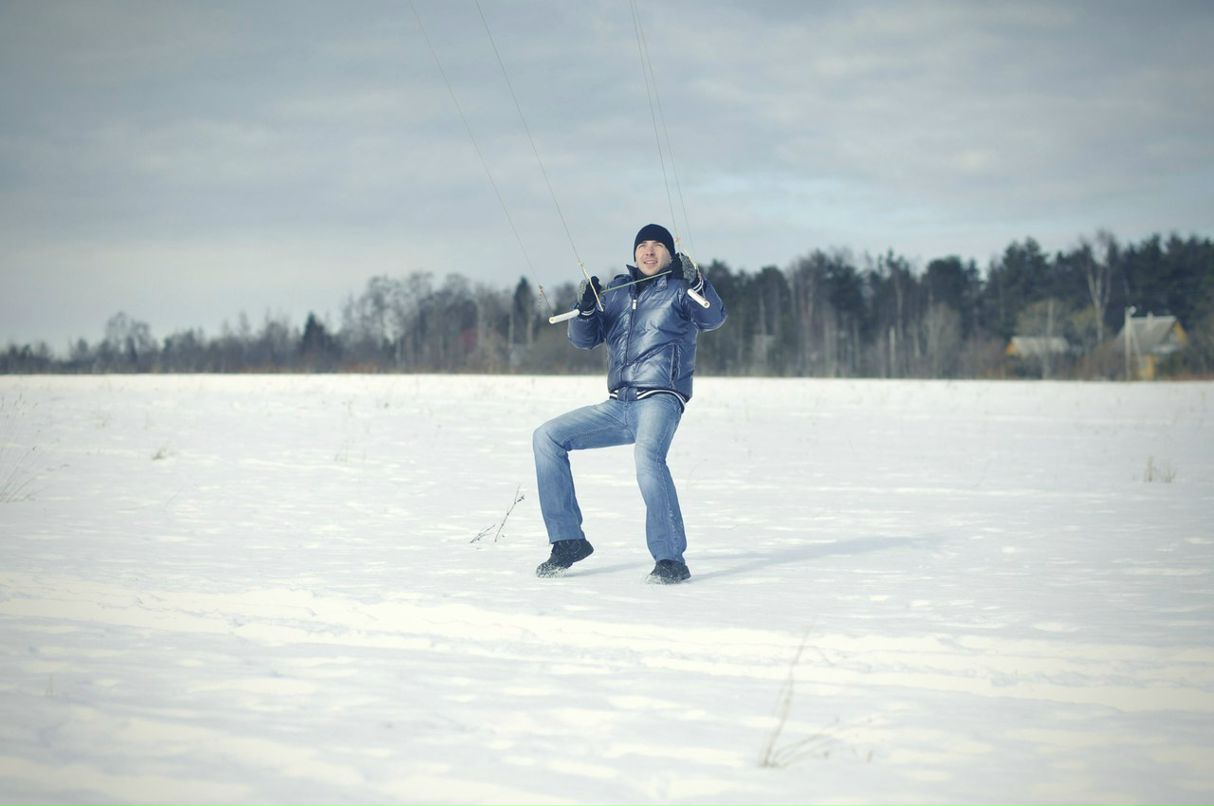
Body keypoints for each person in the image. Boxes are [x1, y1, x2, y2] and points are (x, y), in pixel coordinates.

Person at [532, 223, 727, 583]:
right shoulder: (617, 293)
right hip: (618, 403)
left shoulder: (680, 288)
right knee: (547, 437)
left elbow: (713, 317)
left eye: (657, 246)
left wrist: (698, 283)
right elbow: (583, 340)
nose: (649, 251)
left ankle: (670, 560)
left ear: (670, 253)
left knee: (648, 460)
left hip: (660, 397)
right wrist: (586, 311)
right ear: (635, 253)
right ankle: (568, 540)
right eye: (642, 246)